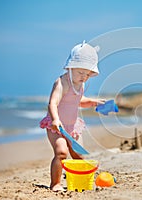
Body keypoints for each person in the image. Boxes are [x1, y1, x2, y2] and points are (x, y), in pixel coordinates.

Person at [39, 41, 105, 191]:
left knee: (79, 155)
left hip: (72, 126)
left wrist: (93, 102)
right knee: (61, 152)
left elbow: (78, 100)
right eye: (80, 73)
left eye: (87, 74)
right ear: (70, 67)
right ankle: (55, 183)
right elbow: (53, 103)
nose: (84, 77)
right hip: (57, 126)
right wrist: (55, 119)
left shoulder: (79, 85)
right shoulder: (62, 82)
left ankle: (79, 182)